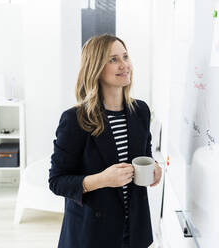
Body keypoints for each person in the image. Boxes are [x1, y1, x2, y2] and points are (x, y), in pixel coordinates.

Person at [49, 34, 162, 248]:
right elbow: (57, 181)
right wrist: (102, 179)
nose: (124, 65)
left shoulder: (140, 111)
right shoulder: (75, 119)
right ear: (96, 68)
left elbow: (144, 154)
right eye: (113, 59)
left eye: (125, 57)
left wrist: (154, 167)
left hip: (135, 232)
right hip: (92, 235)